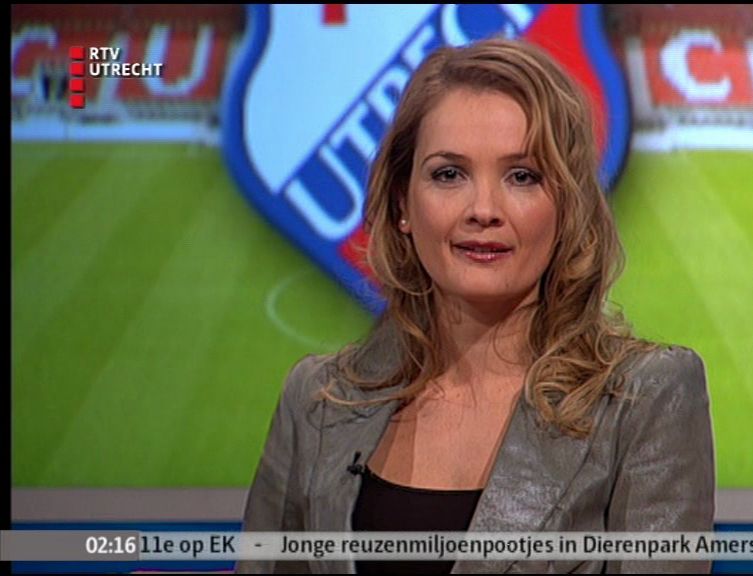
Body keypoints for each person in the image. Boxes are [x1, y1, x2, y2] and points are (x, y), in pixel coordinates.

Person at [236, 37, 715, 574]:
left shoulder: (644, 400)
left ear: (567, 205)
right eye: (449, 174)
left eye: (522, 176)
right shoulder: (317, 402)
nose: (483, 209)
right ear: (402, 203)